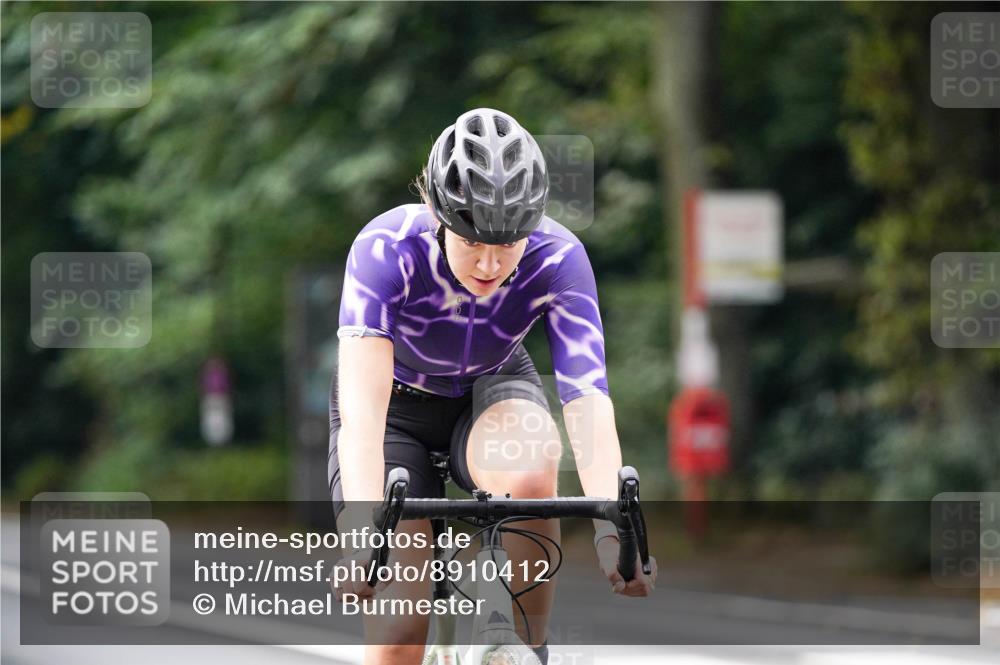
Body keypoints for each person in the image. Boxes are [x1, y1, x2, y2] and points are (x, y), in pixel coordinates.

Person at [328, 108, 657, 665]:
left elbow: (587, 398)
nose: (489, 262)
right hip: (394, 412)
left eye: (508, 245)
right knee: (398, 630)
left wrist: (611, 530)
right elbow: (363, 416)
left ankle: (521, 648)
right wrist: (365, 532)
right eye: (472, 241)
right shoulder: (385, 248)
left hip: (492, 389)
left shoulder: (559, 258)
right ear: (436, 213)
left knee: (530, 469)